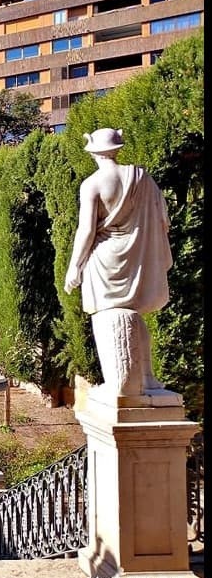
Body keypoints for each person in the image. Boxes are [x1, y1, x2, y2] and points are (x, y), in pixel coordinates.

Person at [64, 127, 172, 402]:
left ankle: (118, 383)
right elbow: (163, 219)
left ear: (93, 153)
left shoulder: (92, 184)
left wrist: (75, 265)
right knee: (133, 315)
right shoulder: (142, 177)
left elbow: (86, 230)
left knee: (107, 316)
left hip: (104, 259)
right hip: (137, 253)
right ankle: (147, 378)